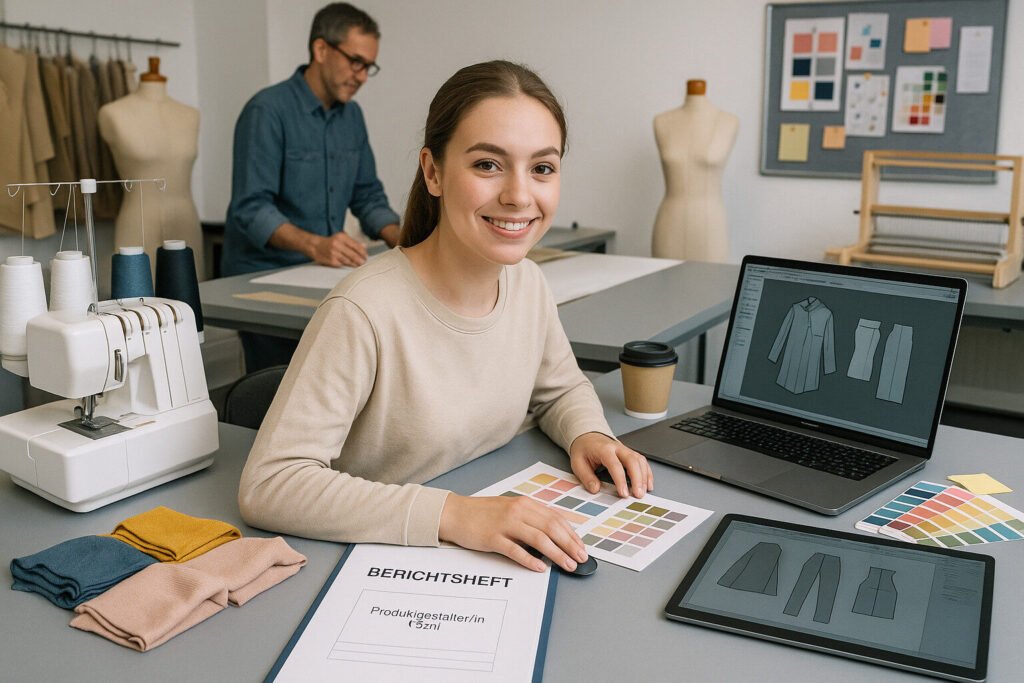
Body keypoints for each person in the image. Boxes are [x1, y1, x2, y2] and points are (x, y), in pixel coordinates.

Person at [239, 60, 652, 573]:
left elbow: (560, 389)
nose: (519, 195)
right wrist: (456, 515)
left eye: (542, 168)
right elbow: (270, 485)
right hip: (372, 563)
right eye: (487, 165)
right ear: (433, 172)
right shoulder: (363, 310)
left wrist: (589, 433)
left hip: (485, 521)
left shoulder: (526, 283)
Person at [222, 2, 401, 371]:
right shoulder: (267, 111)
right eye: (356, 62)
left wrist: (404, 237)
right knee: (277, 390)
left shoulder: (352, 116)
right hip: (261, 280)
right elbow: (251, 208)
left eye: (369, 67)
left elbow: (366, 193)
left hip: (321, 275)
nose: (363, 76)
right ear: (321, 50)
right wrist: (315, 244)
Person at [98, 57, 204, 279]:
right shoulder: (113, 113)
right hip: (137, 222)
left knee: (188, 302)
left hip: (186, 223)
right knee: (135, 302)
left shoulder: (190, 115)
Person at [652, 79, 739, 263]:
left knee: (710, 286)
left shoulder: (728, 121)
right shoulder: (662, 121)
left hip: (710, 226)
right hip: (669, 224)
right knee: (665, 287)